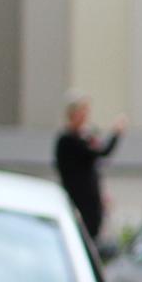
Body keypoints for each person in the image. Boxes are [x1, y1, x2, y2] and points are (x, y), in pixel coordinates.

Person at [54, 92, 126, 245]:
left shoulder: (82, 137)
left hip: (90, 198)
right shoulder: (68, 140)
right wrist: (116, 134)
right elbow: (100, 152)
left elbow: (91, 166)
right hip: (79, 199)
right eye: (83, 112)